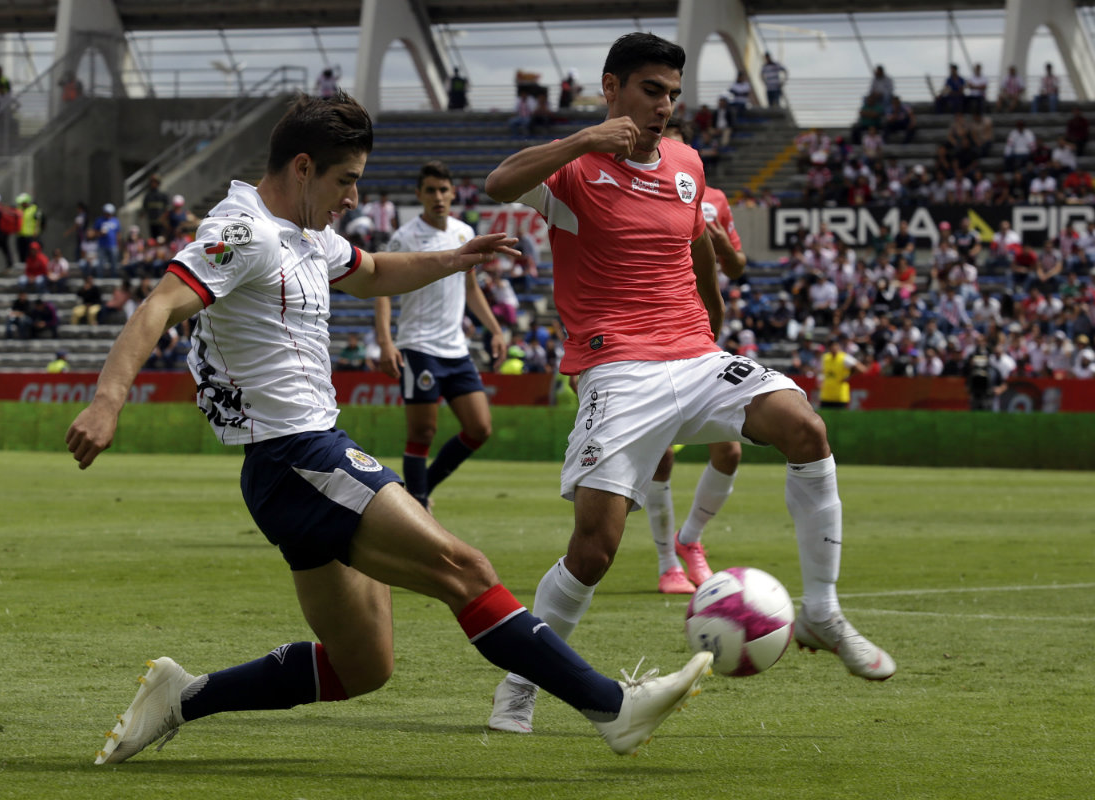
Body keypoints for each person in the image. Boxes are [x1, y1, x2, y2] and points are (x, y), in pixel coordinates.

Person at [65, 91, 710, 766]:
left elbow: (373, 273)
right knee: (465, 568)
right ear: (305, 167)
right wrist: (107, 400)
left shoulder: (307, 232)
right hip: (296, 457)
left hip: (293, 468)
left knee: (363, 665)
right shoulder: (245, 231)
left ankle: (182, 697)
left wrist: (459, 259)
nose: (352, 197)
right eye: (346, 182)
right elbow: (160, 304)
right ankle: (614, 708)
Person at [482, 32, 896, 738]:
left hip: (696, 356)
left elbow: (694, 238)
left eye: (673, 93)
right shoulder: (578, 171)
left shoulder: (687, 163)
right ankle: (521, 681)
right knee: (594, 550)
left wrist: (715, 316)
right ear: (612, 88)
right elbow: (497, 185)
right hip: (617, 369)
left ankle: (822, 612)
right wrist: (585, 137)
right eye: (651, 90)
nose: (665, 106)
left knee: (806, 426)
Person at [374, 160, 507, 509]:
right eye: (430, 190)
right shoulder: (405, 237)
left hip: (456, 350)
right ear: (419, 194)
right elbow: (382, 289)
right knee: (423, 432)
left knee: (479, 428)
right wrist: (386, 341)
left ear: (453, 193)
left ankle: (417, 494)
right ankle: (417, 505)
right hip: (418, 346)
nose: (438, 197)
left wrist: (495, 330)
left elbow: (470, 287)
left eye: (443, 190)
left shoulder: (464, 234)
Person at [641, 174, 748, 595]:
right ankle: (668, 564)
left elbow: (737, 268)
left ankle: (690, 539)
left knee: (730, 448)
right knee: (662, 455)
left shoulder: (714, 199)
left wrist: (721, 243)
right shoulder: (634, 189)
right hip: (653, 333)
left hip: (702, 335)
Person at [819, 336, 859, 409]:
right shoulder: (825, 357)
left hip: (840, 396)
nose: (833, 347)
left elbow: (860, 368)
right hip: (826, 395)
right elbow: (821, 372)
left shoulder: (845, 358)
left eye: (835, 345)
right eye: (831, 345)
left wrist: (848, 377)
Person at [15, 193, 43, 264]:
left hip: (30, 235)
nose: (21, 204)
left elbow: (38, 221)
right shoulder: (19, 209)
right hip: (21, 235)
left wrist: (36, 231)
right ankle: (23, 267)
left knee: (30, 253)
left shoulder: (34, 209)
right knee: (21, 252)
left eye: (23, 202)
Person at [141, 174, 170, 240]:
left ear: (158, 183)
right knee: (152, 240)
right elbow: (144, 209)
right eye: (152, 182)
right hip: (151, 223)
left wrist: (164, 219)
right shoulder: (148, 196)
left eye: (155, 182)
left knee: (161, 240)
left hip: (161, 223)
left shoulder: (163, 195)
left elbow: (167, 209)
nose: (153, 184)